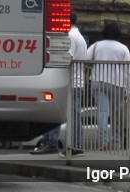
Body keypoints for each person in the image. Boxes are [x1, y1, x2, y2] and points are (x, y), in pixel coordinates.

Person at [87, 21, 130, 151]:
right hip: (117, 84)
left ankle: (103, 142)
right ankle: (116, 141)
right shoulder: (123, 48)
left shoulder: (96, 46)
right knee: (116, 113)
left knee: (102, 112)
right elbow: (127, 70)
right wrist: (127, 88)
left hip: (98, 81)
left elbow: (85, 59)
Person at [59, 11, 88, 158]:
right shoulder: (79, 36)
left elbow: (67, 58)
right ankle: (77, 146)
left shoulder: (69, 36)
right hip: (79, 80)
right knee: (75, 114)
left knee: (74, 115)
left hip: (72, 82)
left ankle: (76, 147)